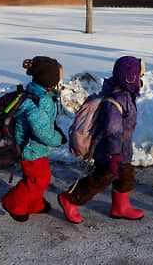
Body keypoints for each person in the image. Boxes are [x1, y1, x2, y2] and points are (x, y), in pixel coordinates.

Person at [57, 56, 145, 224]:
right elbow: (113, 131)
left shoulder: (125, 95)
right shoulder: (116, 101)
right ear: (130, 78)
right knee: (101, 178)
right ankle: (70, 199)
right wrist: (113, 156)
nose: (141, 79)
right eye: (139, 75)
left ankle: (121, 207)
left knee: (126, 176)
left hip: (121, 151)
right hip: (109, 151)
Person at [1, 56, 66, 222]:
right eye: (59, 78)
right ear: (49, 79)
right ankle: (13, 202)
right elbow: (41, 130)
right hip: (31, 148)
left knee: (37, 178)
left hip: (31, 147)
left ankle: (34, 204)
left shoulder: (36, 92)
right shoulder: (42, 101)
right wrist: (58, 139)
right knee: (39, 179)